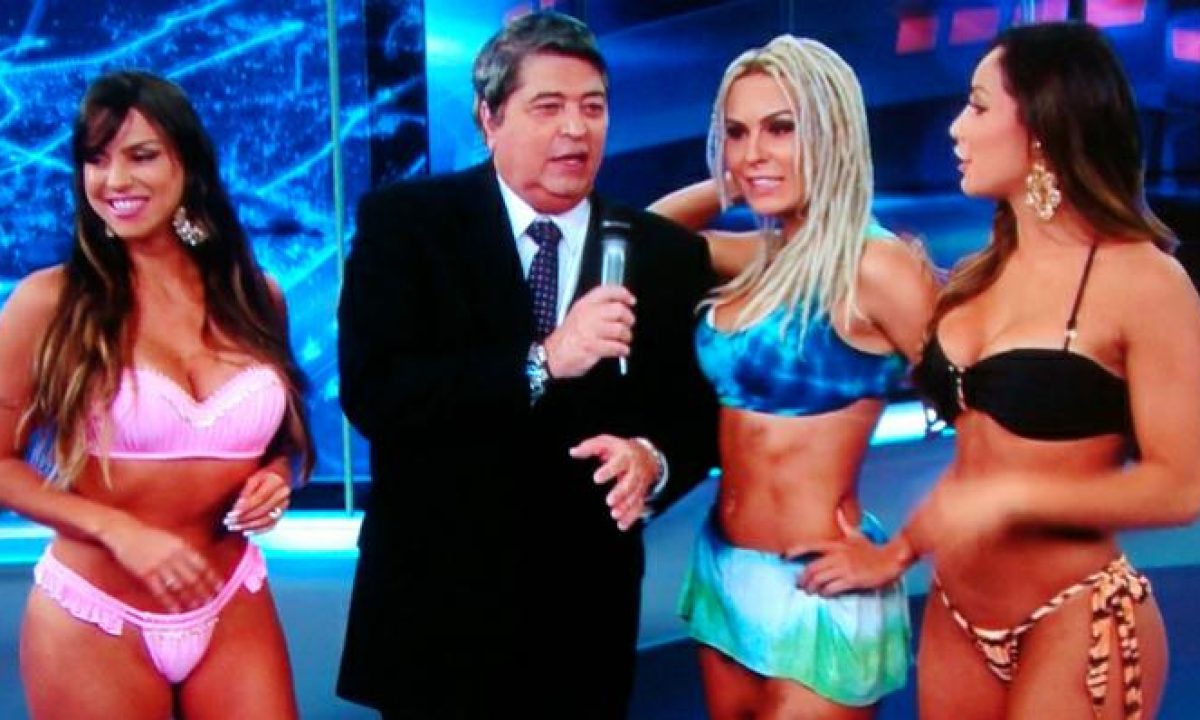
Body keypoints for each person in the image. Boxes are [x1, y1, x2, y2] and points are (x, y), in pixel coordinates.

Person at [794, 22, 1200, 720]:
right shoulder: (981, 275)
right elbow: (978, 458)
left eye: (978, 106)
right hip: (956, 611)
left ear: (1041, 127)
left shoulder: (1146, 281)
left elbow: (1182, 486)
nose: (956, 127)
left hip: (1076, 614)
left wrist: (1015, 497)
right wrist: (897, 554)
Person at [335, 11, 718, 719]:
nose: (575, 129)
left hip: (582, 619)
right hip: (439, 612)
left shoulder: (664, 254)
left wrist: (653, 460)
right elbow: (376, 391)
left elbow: (695, 419)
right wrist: (543, 360)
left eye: (593, 108)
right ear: (489, 118)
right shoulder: (407, 225)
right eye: (548, 107)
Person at [0, 70, 313, 718]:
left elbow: (282, 441)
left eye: (141, 156)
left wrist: (277, 477)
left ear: (188, 165)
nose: (114, 180)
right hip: (96, 614)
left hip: (231, 597)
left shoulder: (256, 295)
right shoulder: (48, 301)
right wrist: (118, 530)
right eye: (96, 160)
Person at [649, 35, 937, 719]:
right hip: (722, 570)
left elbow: (991, 431)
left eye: (781, 128)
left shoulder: (876, 267)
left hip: (819, 586)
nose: (755, 150)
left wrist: (900, 552)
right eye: (737, 132)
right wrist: (733, 179)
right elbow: (646, 237)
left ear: (833, 134)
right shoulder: (758, 254)